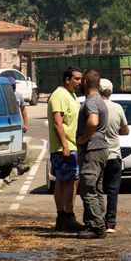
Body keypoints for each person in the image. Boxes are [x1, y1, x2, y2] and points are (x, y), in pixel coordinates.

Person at [75, 70, 111, 238]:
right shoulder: (100, 101)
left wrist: (82, 139)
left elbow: (93, 122)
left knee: (87, 189)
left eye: (81, 81)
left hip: (93, 149)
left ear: (85, 83)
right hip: (101, 149)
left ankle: (97, 227)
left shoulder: (91, 102)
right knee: (96, 189)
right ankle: (94, 224)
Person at [47, 67, 83, 232]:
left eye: (80, 79)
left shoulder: (72, 95)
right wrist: (65, 146)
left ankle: (63, 218)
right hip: (64, 147)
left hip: (71, 144)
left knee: (66, 181)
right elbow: (57, 122)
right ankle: (67, 215)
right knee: (69, 181)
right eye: (76, 79)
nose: (79, 82)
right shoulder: (60, 95)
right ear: (67, 79)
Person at [100, 78, 129, 233]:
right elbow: (125, 130)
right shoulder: (117, 108)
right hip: (114, 155)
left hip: (97, 155)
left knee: (96, 190)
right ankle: (110, 223)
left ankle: (95, 220)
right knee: (112, 190)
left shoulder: (92, 106)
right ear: (110, 92)